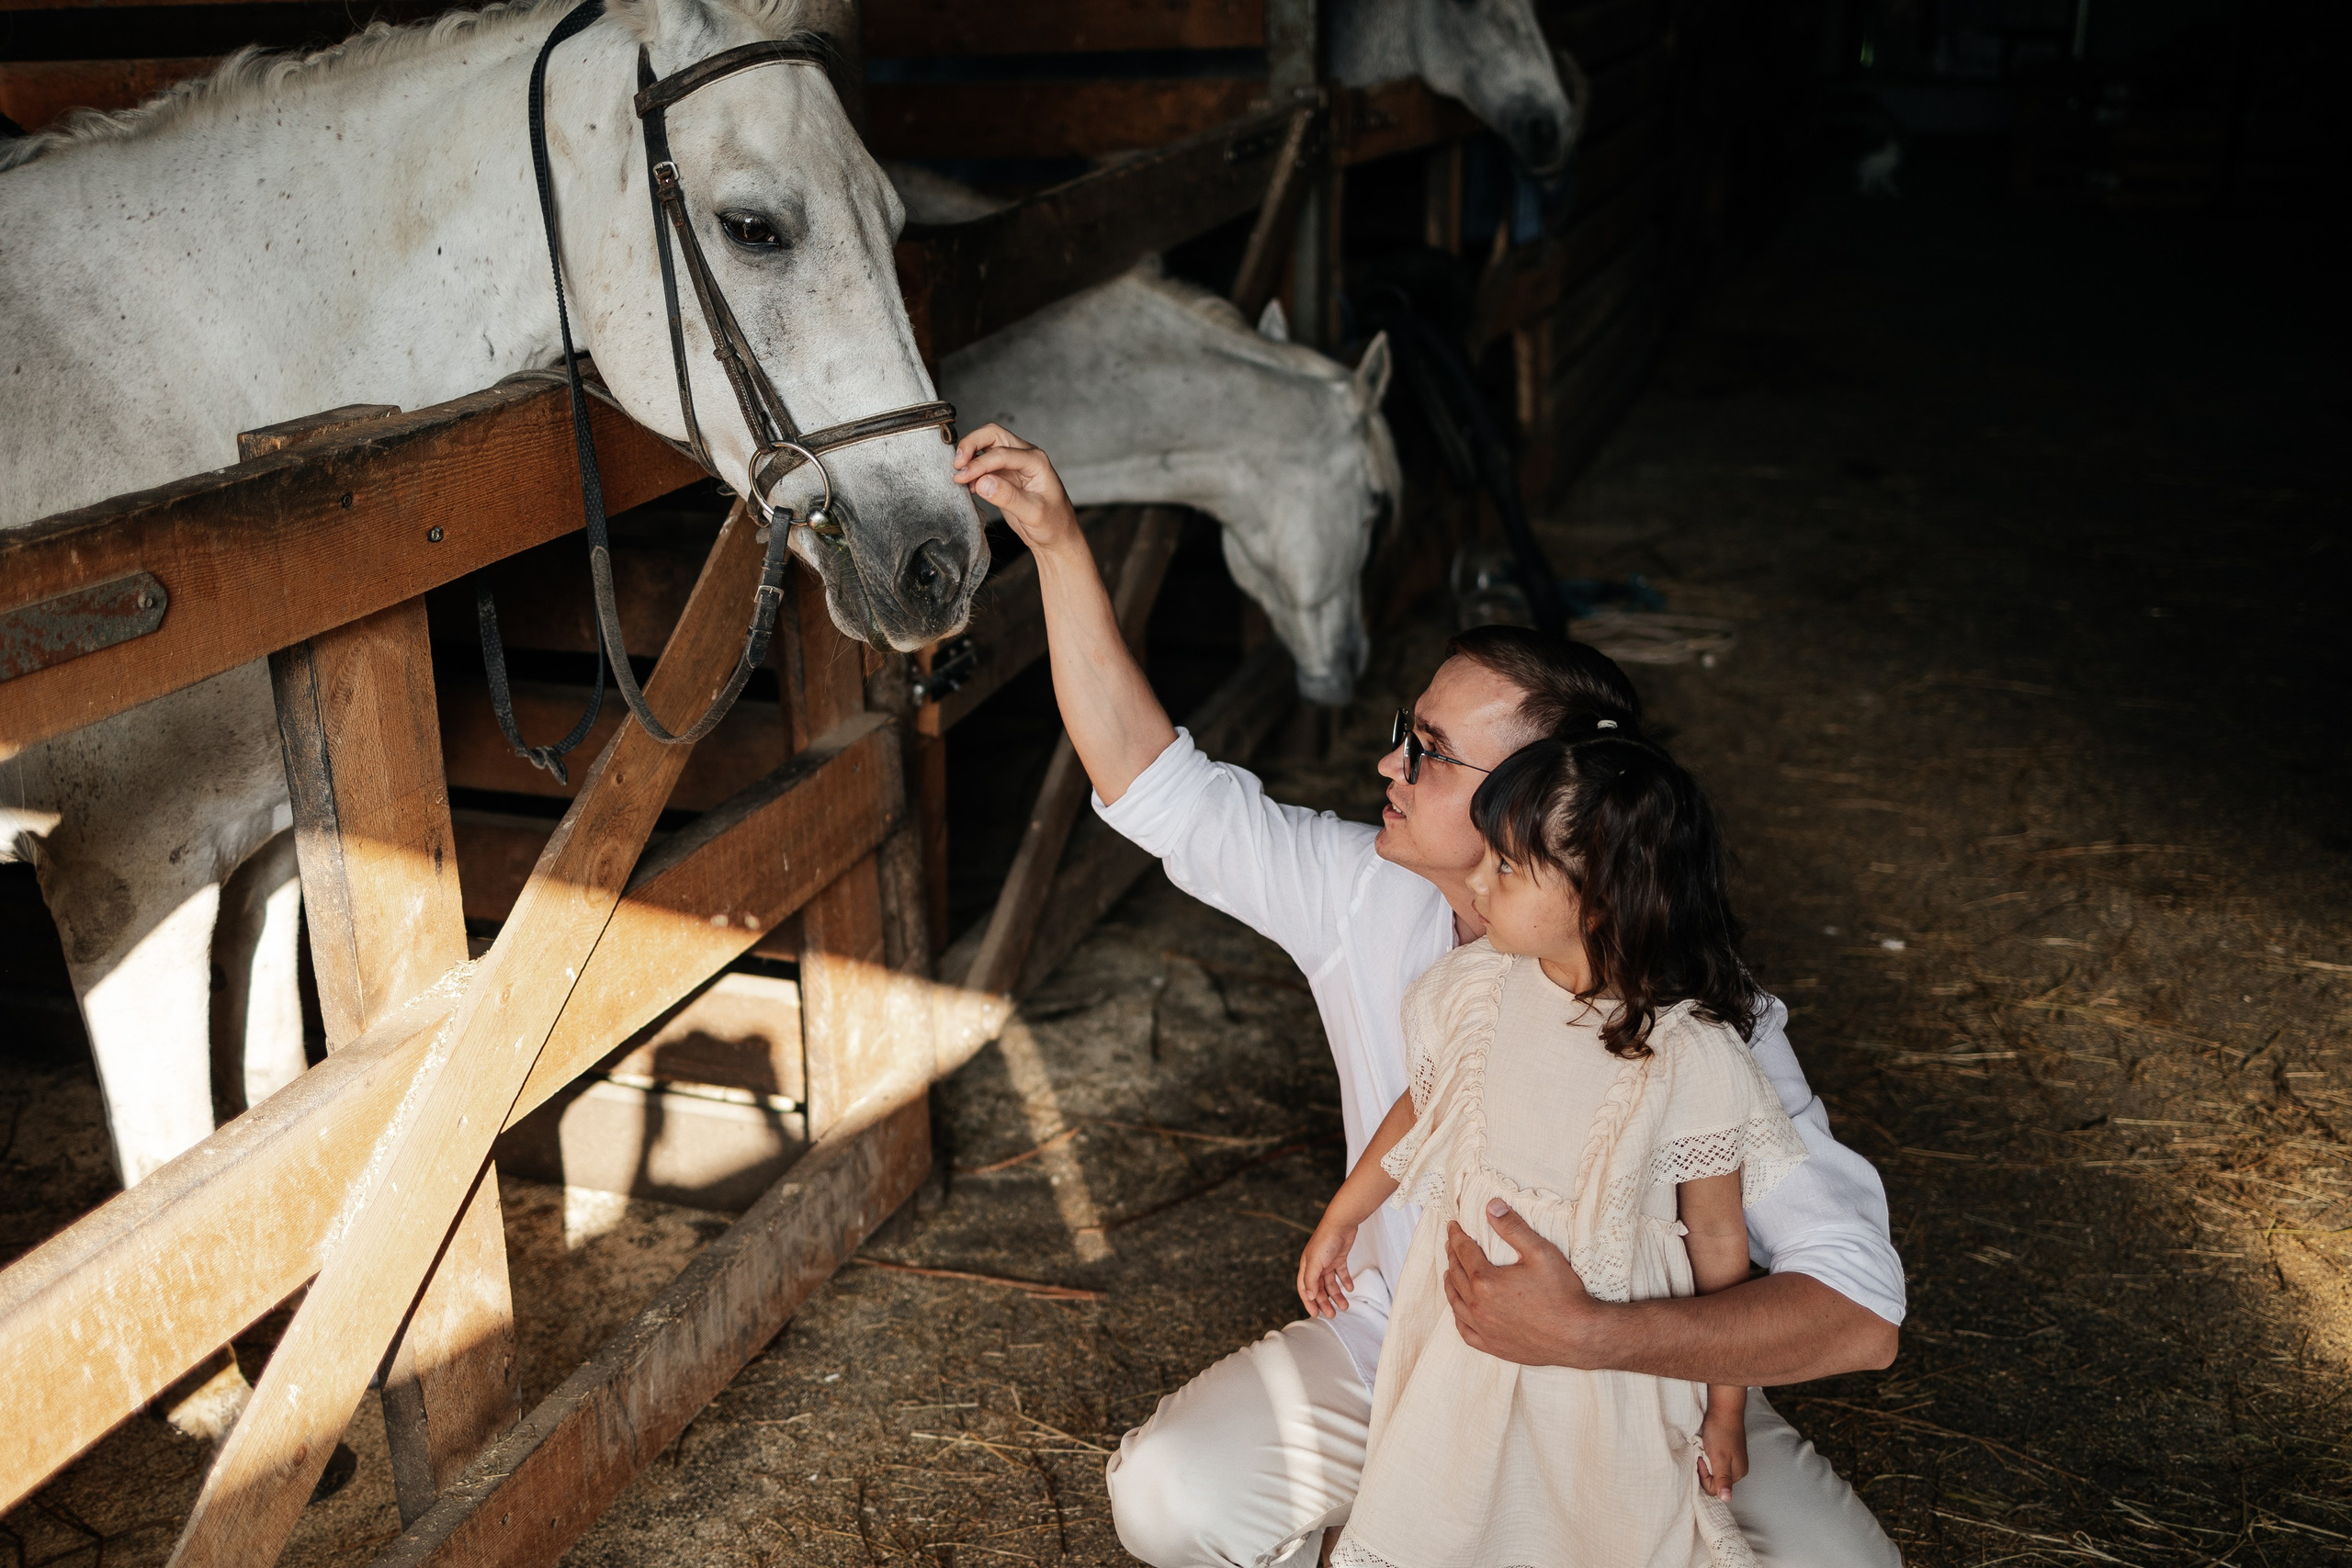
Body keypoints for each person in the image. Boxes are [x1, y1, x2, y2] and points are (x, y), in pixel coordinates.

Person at [953, 426, 1904, 1568]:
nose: (1385, 768)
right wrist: (1056, 544)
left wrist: (1599, 1338)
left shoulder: (1701, 1013)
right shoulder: (1364, 892)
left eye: (1428, 751)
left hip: (1621, 1390)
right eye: (1405, 734)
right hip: (1397, 1346)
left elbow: (1855, 1310)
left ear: (1547, 807)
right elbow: (1153, 783)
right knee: (1172, 1496)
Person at [1298, 732, 1811, 1567]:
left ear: (1598, 899)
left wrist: (1724, 1407)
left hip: (1610, 1384)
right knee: (1442, 1512)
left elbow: (1720, 1242)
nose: (1474, 881)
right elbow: (1423, 1106)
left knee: (1587, 1528)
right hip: (1464, 1345)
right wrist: (1343, 1215)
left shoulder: (1691, 1052)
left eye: (1504, 868)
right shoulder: (1480, 988)